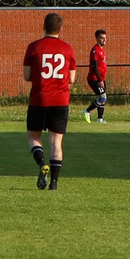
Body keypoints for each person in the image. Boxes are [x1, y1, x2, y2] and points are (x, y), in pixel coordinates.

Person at [22, 12, 77, 190]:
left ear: (43, 27)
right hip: (60, 100)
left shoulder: (33, 47)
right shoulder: (68, 49)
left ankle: (41, 164)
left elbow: (27, 75)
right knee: (56, 142)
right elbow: (72, 78)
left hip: (39, 99)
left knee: (33, 137)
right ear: (61, 29)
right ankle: (54, 183)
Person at [86, 29, 110, 123]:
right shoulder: (95, 50)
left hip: (101, 78)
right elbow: (94, 66)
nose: (104, 40)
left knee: (103, 98)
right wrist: (99, 80)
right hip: (95, 79)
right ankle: (87, 111)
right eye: (101, 38)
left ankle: (100, 118)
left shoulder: (102, 50)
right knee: (102, 97)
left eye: (105, 38)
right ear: (96, 38)